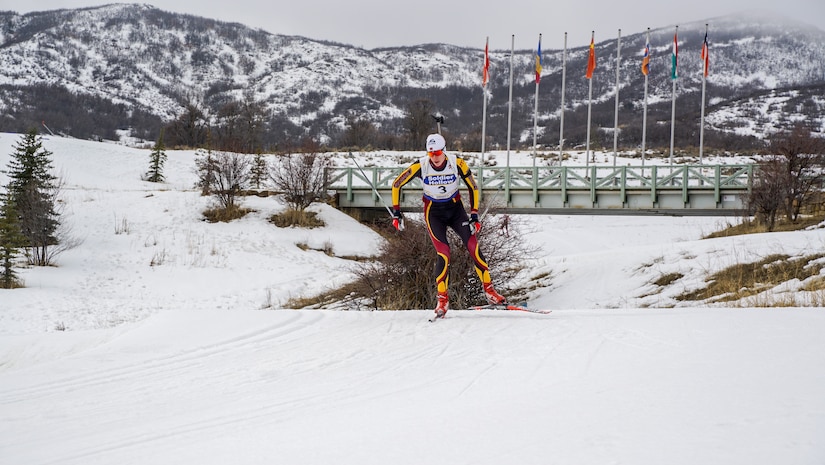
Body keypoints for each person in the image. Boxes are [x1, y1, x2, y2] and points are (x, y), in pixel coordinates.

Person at [391, 133, 506, 319]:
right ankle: (442, 299)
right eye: (431, 153)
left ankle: (490, 291)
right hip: (433, 213)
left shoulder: (457, 163)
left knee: (473, 247)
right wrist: (397, 212)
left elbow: (473, 187)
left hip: (455, 210)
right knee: (443, 252)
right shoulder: (421, 165)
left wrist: (474, 214)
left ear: (444, 150)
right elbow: (396, 184)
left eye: (437, 152)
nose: (434, 157)